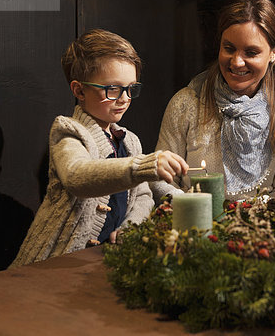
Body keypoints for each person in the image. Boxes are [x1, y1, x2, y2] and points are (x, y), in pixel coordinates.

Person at [10, 29, 188, 267]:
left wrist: (130, 226)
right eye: (112, 89)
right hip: (57, 260)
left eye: (131, 88)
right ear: (79, 90)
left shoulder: (130, 141)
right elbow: (78, 175)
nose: (124, 98)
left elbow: (143, 195)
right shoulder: (69, 132)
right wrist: (145, 165)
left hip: (101, 262)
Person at [153, 0, 275, 203]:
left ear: (274, 51)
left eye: (251, 52)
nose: (237, 62)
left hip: (263, 230)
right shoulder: (187, 103)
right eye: (229, 48)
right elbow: (160, 178)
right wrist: (194, 211)